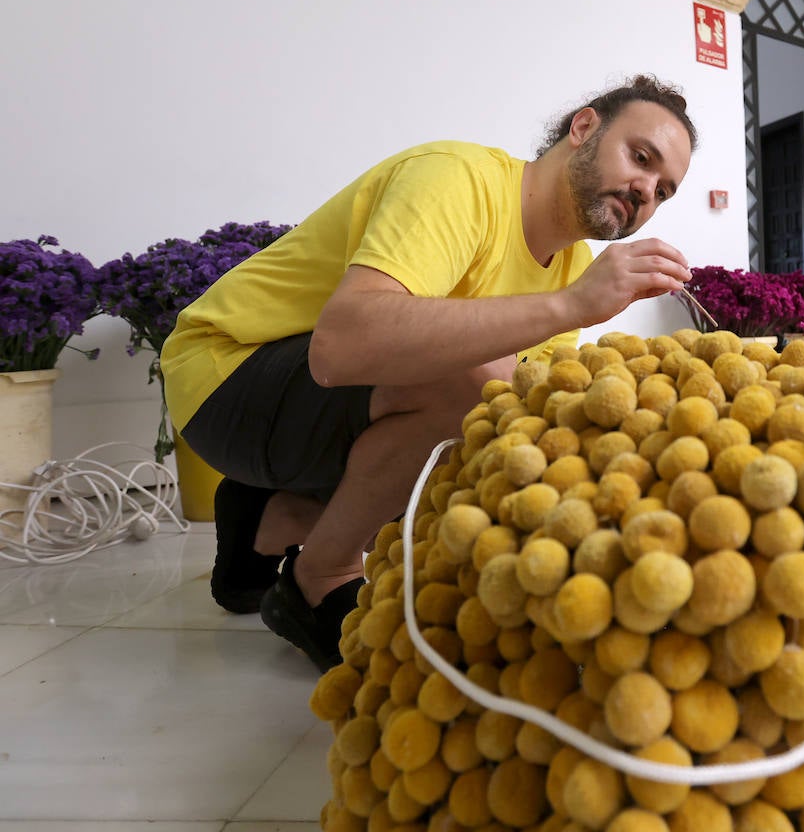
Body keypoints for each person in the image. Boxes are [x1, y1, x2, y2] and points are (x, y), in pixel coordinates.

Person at [160, 75, 697, 671]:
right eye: (640, 158)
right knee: (477, 384)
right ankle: (318, 577)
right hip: (226, 372)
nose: (646, 189)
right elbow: (341, 348)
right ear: (584, 128)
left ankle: (271, 521)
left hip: (311, 407)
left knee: (506, 438)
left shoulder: (572, 264)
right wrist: (573, 306)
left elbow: (517, 421)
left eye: (664, 190)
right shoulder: (458, 180)